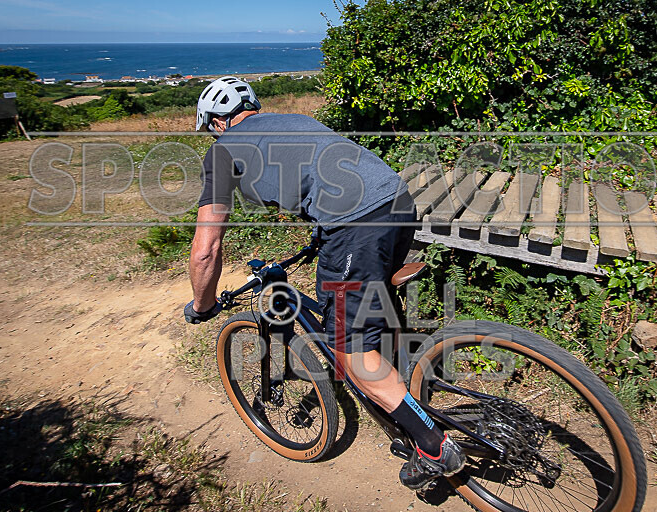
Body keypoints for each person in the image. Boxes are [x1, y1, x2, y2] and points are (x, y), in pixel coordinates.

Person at [184, 76, 464, 490]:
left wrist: (202, 305)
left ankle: (434, 446)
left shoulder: (222, 151)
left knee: (346, 348)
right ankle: (402, 384)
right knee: (368, 305)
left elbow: (206, 248)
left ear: (217, 123)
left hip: (355, 223)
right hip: (397, 201)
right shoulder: (295, 120)